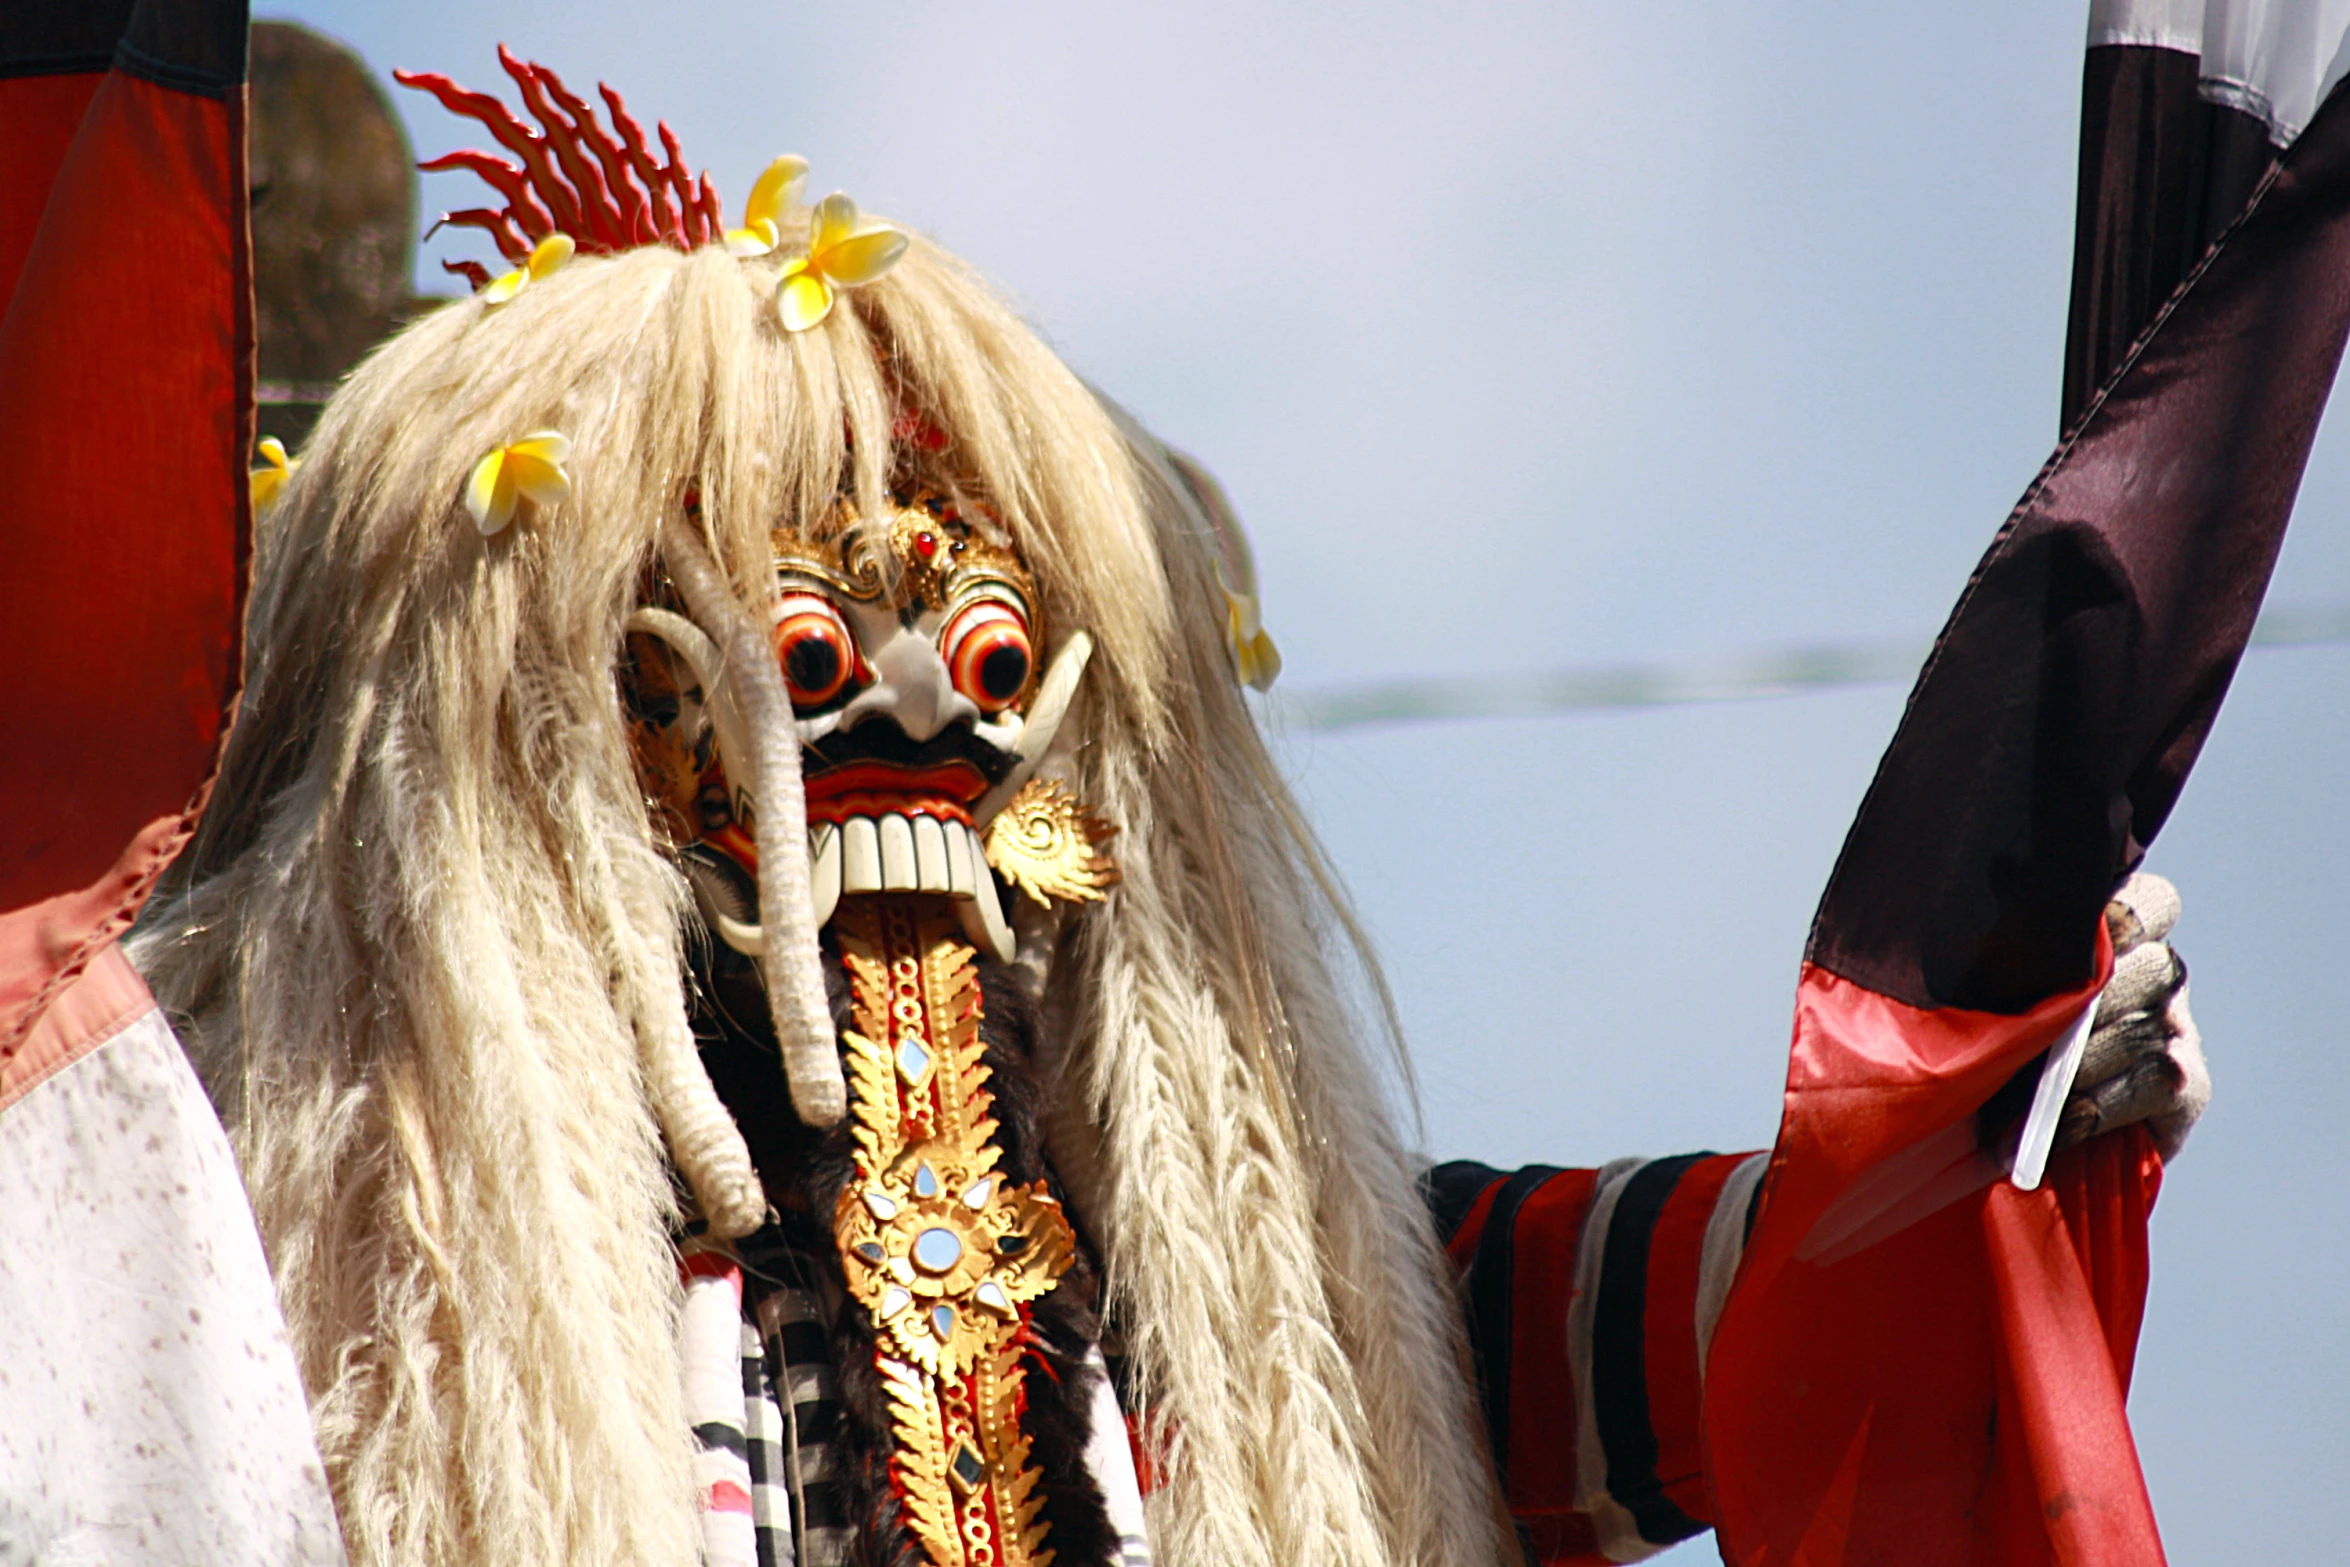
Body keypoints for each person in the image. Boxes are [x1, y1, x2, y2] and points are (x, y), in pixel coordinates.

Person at [124, 48, 2210, 1567]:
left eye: (995, 661)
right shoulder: (245, 1224)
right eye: (795, 672)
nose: (918, 698)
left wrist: (1988, 1108)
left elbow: (1747, 1315)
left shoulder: (1294, 1306)